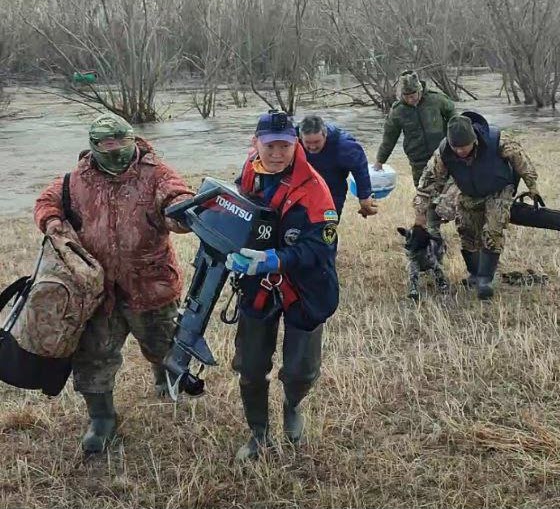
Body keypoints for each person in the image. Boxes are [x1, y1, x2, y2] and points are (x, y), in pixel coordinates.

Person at [34, 112, 195, 454]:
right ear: (93, 147)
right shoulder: (77, 179)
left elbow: (177, 197)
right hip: (97, 290)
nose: (114, 150)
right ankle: (102, 418)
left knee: (164, 344)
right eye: (106, 145)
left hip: (151, 283)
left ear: (132, 140)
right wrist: (57, 229)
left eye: (120, 142)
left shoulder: (155, 174)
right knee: (93, 356)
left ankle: (164, 381)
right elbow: (45, 203)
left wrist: (183, 214)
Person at [226, 110, 339, 462]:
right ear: (255, 143)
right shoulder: (249, 173)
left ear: (295, 145)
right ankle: (258, 433)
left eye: (285, 146)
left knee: (301, 369)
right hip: (256, 285)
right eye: (270, 145)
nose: (277, 153)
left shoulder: (315, 189)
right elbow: (235, 215)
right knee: (250, 366)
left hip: (304, 287)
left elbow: (322, 247)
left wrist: (276, 260)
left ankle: (292, 405)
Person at [413, 111, 541, 299]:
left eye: (464, 147)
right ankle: (474, 273)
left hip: (499, 189)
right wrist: (420, 214)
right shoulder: (443, 152)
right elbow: (428, 183)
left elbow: (521, 161)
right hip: (468, 192)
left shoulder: (497, 139)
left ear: (474, 140)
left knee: (492, 230)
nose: (460, 151)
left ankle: (485, 279)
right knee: (467, 232)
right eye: (456, 147)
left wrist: (532, 186)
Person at [374, 70, 456, 235]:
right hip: (418, 160)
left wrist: (455, 141)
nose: (412, 99)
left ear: (420, 90)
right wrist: (380, 161)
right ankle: (431, 231)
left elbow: (455, 118)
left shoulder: (437, 99)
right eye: (407, 96)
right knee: (424, 196)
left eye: (414, 94)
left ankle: (451, 222)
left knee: (448, 193)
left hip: (443, 156)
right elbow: (389, 138)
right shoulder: (397, 111)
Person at [297, 115, 378, 219]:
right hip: (303, 189)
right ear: (300, 137)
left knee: (328, 226)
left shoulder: (344, 145)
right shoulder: (292, 141)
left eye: (317, 142)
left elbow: (360, 169)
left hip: (333, 191)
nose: (312, 146)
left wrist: (364, 196)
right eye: (308, 142)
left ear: (325, 135)